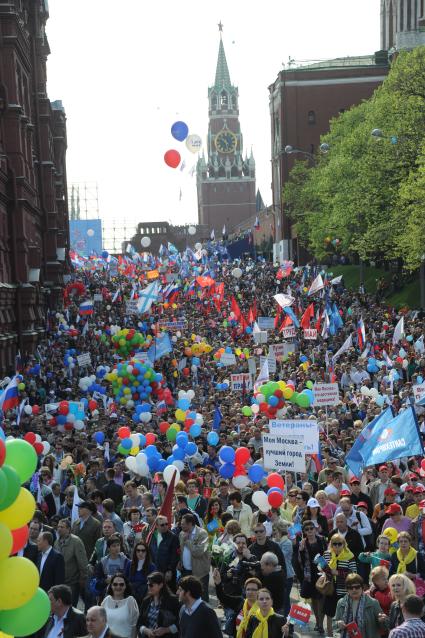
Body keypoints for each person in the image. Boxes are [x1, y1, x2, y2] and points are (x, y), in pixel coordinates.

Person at [293, 520, 328, 634]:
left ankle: (321, 624)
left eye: (311, 528)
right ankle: (318, 622)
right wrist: (301, 551)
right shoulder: (303, 543)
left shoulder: (322, 540)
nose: (310, 531)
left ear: (315, 529)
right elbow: (300, 562)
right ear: (304, 531)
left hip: (322, 572)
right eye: (307, 529)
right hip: (310, 574)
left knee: (321, 599)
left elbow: (328, 555)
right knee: (314, 599)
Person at [322, 533, 357, 637]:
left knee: (345, 615)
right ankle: (330, 635)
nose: (337, 546)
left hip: (344, 590)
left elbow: (353, 573)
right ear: (331, 544)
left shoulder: (349, 556)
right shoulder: (327, 554)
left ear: (344, 544)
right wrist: (321, 566)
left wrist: (338, 573)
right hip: (330, 588)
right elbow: (324, 568)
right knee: (329, 613)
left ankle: (344, 635)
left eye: (339, 544)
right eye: (334, 544)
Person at [212, 569, 261, 638]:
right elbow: (223, 597)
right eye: (248, 589)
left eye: (253, 589)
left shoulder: (263, 607)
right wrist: (218, 584)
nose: (250, 592)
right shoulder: (240, 602)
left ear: (259, 591)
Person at [54, 518, 88, 606]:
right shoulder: (56, 542)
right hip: (60, 582)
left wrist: (82, 579)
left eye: (62, 527)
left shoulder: (76, 542)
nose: (59, 529)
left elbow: (83, 563)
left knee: (70, 607)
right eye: (58, 527)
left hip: (72, 583)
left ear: (68, 529)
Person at [137, 571, 180, 637]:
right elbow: (139, 623)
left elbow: (180, 623)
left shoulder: (173, 601)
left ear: (161, 585)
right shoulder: (146, 601)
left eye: (151, 585)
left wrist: (166, 630)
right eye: (148, 584)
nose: (149, 587)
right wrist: (145, 630)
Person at [179, 513, 211, 602]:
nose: (181, 526)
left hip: (200, 572)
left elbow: (198, 552)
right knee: (187, 596)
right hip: (186, 571)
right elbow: (181, 550)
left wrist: (188, 541)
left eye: (183, 524)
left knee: (201, 597)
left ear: (190, 524)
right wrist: (180, 562)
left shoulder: (202, 534)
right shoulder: (182, 534)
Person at [100, 573, 139, 638]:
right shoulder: (106, 600)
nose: (118, 587)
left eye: (121, 584)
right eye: (115, 584)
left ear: (125, 586)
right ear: (111, 586)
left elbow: (134, 626)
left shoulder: (131, 601)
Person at [149, 515, 180, 589]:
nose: (165, 526)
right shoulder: (151, 536)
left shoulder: (173, 537)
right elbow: (150, 552)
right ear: (156, 526)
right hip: (154, 571)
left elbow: (175, 556)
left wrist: (170, 570)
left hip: (167, 573)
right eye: (162, 525)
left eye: (166, 524)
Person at [271, 520, 294, 617]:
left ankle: (288, 624)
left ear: (279, 531)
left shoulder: (287, 543)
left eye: (275, 531)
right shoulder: (277, 542)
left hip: (287, 575)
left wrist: (274, 545)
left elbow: (279, 558)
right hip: (278, 574)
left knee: (285, 600)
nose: (273, 534)